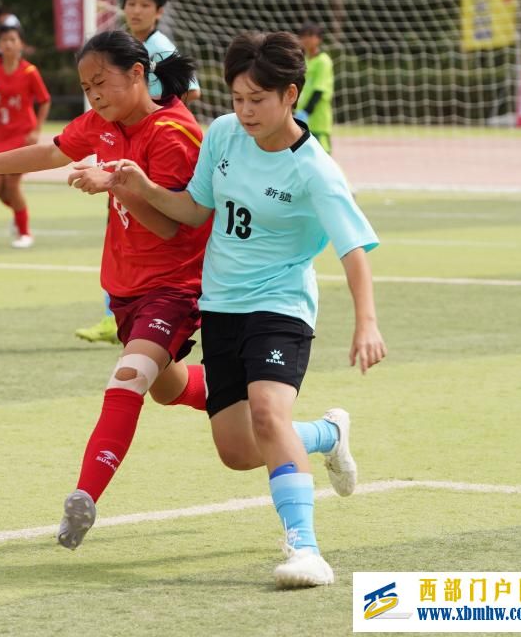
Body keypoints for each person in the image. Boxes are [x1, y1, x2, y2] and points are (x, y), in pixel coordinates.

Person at [0, 31, 356, 567]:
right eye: (86, 87)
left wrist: (117, 184)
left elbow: (175, 225)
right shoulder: (105, 123)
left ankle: (83, 498)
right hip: (126, 289)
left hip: (177, 287)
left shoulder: (176, 134)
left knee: (129, 377)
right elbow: (51, 150)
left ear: (137, 74)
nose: (94, 95)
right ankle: (321, 432)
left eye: (101, 83)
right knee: (179, 396)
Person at [98, 30, 385, 588]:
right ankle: (326, 434)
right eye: (237, 98)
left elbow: (353, 249)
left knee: (267, 415)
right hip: (222, 306)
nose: (245, 111)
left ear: (290, 96)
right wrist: (141, 187)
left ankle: (306, 549)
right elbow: (194, 208)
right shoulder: (224, 136)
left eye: (258, 99)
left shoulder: (315, 170)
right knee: (236, 450)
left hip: (280, 306)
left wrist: (366, 322)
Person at [74, 0, 201, 345]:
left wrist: (152, 112)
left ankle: (128, 314)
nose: (137, 10)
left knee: (145, 221)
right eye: (131, 3)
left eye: (145, 4)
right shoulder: (126, 44)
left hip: (154, 148)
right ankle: (115, 313)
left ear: (159, 10)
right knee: (124, 222)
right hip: (129, 141)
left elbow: (188, 92)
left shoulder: (159, 46)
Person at [0, 25, 51, 248]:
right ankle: (19, 215)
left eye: (12, 40)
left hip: (21, 135)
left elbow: (45, 100)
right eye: (4, 40)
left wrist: (36, 130)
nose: (8, 44)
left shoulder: (29, 72)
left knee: (11, 184)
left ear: (21, 45)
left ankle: (25, 233)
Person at [296, 22, 335, 154]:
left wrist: (306, 112)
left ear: (318, 39)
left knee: (324, 158)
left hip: (318, 120)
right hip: (302, 122)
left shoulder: (323, 61)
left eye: (310, 36)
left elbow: (319, 90)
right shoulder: (302, 60)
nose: (306, 39)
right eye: (303, 36)